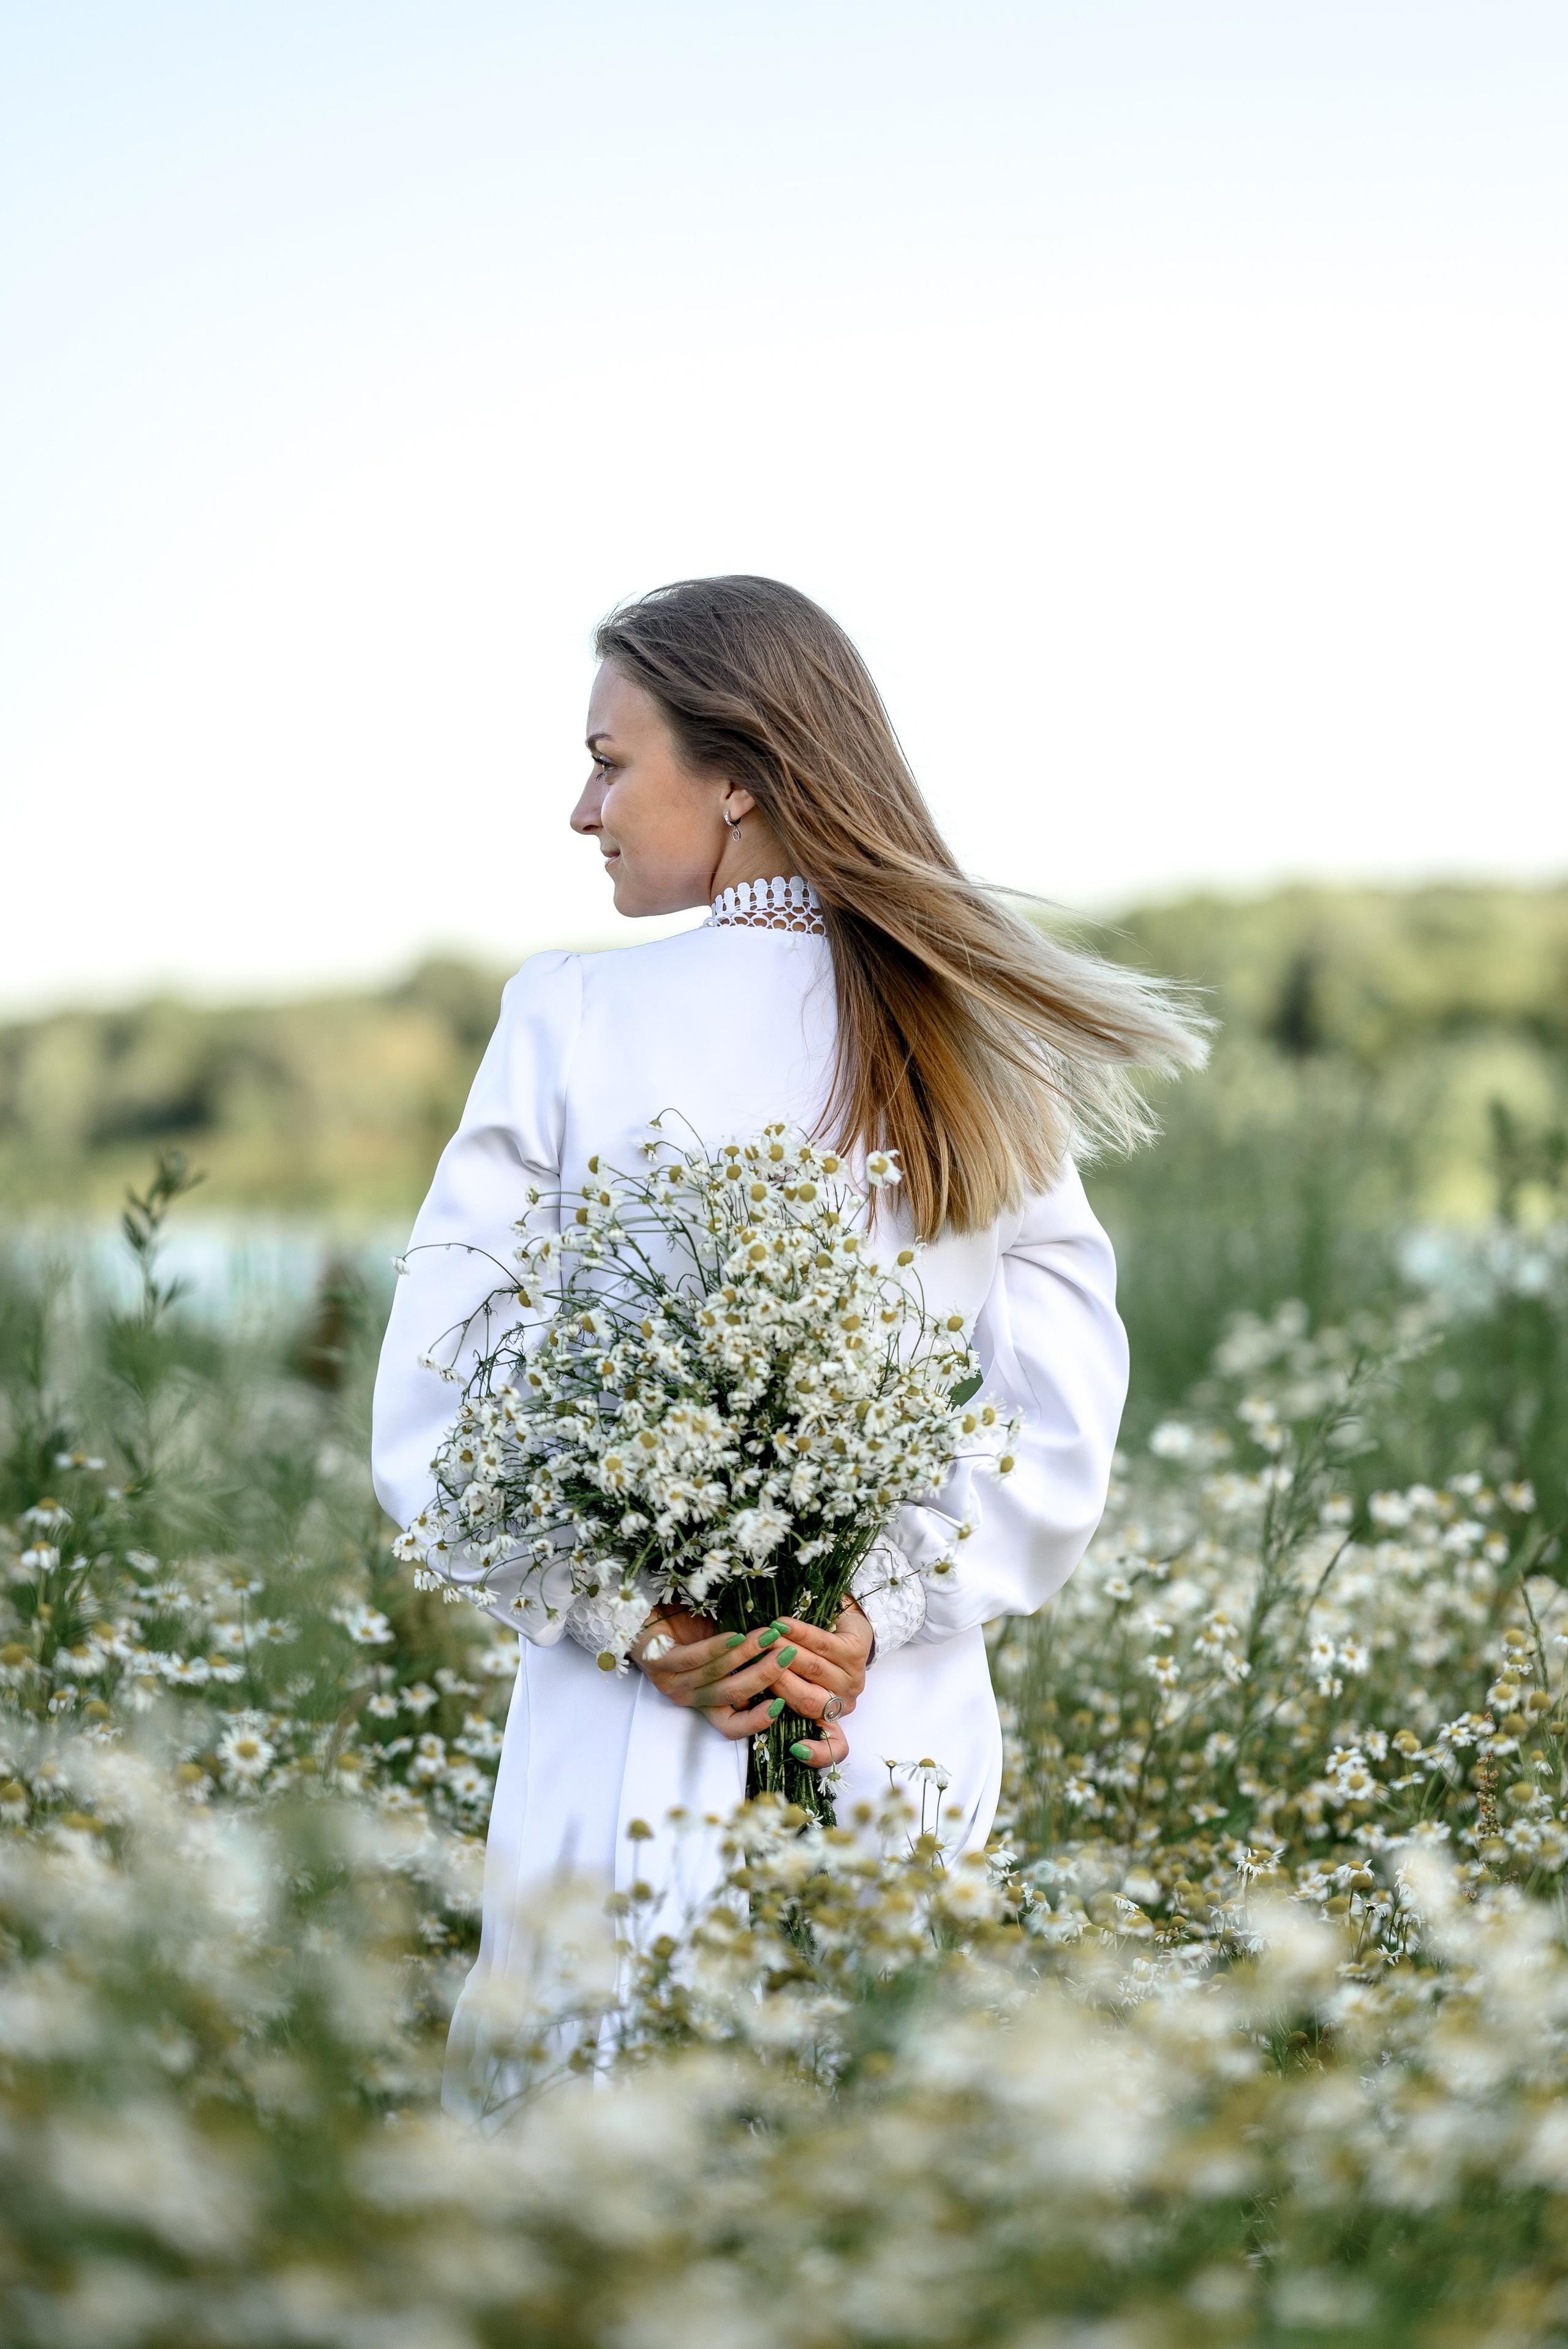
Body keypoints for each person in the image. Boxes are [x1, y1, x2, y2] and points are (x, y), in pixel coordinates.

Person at [372, 575, 1203, 2077]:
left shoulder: (569, 1016)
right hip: (884, 1725)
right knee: (863, 2177)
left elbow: (441, 1403)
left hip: (623, 1744)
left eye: (610, 759)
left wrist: (641, 1627)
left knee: (594, 2171)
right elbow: (1058, 1417)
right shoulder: (969, 1029)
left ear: (740, 774)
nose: (581, 806)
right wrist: (866, 1619)